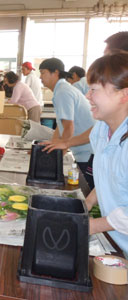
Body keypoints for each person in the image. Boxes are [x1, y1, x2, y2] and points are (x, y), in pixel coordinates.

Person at [42, 32, 128, 153]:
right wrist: (60, 144)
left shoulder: (63, 90)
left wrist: (61, 148)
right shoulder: (105, 123)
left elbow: (68, 126)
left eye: (109, 57)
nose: (87, 96)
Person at [84, 52, 128, 258]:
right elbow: (107, 177)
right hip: (117, 244)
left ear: (123, 95)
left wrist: (92, 226)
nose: (87, 96)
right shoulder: (101, 130)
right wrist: (88, 202)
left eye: (94, 90)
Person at [39, 57, 95, 186]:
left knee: (86, 189)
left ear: (56, 72)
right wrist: (52, 147)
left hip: (86, 151)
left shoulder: (63, 92)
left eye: (43, 72)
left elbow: (69, 127)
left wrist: (57, 156)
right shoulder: (62, 90)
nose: (40, 77)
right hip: (83, 148)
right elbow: (61, 125)